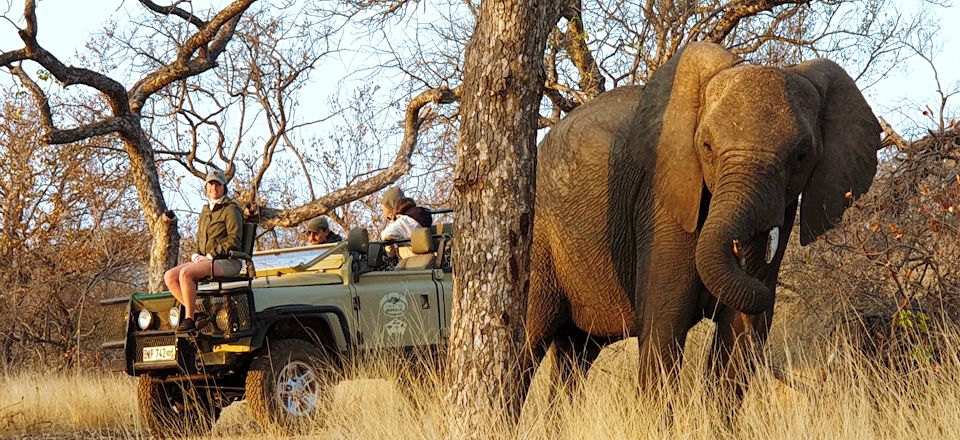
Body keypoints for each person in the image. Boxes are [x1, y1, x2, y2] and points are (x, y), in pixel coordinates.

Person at [163, 170, 243, 332]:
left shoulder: (230, 209)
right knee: (170, 276)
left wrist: (210, 255)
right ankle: (199, 313)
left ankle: (189, 318)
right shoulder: (205, 211)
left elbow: (234, 240)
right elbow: (200, 240)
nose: (214, 187)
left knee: (186, 274)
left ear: (223, 187)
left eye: (218, 184)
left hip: (228, 261)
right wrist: (196, 254)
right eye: (211, 184)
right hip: (207, 260)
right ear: (206, 187)